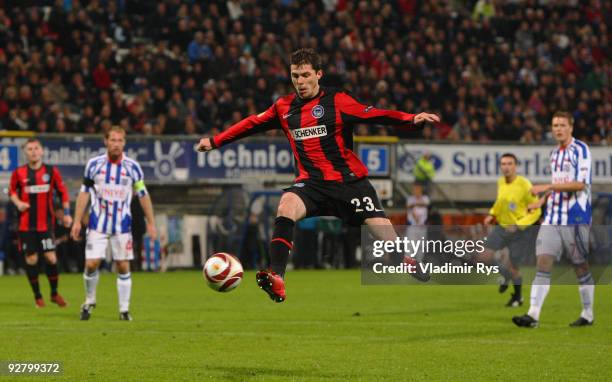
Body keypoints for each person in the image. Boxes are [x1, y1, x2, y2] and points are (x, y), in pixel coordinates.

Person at [197, 48, 440, 302]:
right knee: (286, 205)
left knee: (387, 240)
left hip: (349, 183)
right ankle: (277, 276)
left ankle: (408, 260)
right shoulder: (284, 107)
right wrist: (215, 141)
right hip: (311, 184)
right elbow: (251, 124)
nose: (300, 82)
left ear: (318, 74)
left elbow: (374, 114)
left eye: (305, 75)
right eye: (295, 76)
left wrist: (411, 119)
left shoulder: (338, 101)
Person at [513, 111, 594, 328]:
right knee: (543, 261)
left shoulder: (581, 150)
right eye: (554, 125)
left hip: (576, 216)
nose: (558, 128)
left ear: (571, 127)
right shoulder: (554, 154)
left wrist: (547, 186)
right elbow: (559, 183)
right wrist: (542, 201)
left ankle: (588, 313)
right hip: (553, 216)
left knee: (580, 266)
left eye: (562, 125)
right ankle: (533, 315)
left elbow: (579, 184)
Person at [71, 126, 157, 321]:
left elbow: (143, 195)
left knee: (123, 266)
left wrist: (151, 222)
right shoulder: (94, 165)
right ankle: (90, 300)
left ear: (124, 143)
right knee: (92, 264)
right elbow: (84, 193)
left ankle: (124, 310)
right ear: (106, 141)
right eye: (113, 140)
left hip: (122, 226)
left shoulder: (133, 168)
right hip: (97, 224)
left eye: (120, 141)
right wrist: (77, 220)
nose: (116, 144)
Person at [8, 138, 72, 307]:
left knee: (51, 258)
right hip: (26, 226)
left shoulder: (51, 171)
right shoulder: (19, 172)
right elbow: (12, 191)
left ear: (42, 151)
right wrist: (18, 203)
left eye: (36, 148)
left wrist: (66, 214)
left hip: (46, 224)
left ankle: (54, 293)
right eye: (30, 149)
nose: (34, 151)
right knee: (32, 260)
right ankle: (37, 296)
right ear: (25, 153)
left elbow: (63, 193)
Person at [477, 153, 541, 307]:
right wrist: (491, 214)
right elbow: (500, 203)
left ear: (515, 166)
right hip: (502, 227)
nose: (506, 167)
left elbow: (537, 211)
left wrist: (519, 225)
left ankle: (518, 297)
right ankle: (504, 274)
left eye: (509, 164)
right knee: (483, 256)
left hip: (520, 232)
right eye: (503, 164)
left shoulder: (525, 185)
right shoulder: (501, 182)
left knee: (514, 267)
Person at [405, 184, 430, 263]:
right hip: (412, 227)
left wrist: (415, 204)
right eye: (414, 190)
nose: (415, 191)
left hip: (422, 227)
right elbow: (409, 206)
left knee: (421, 246)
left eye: (417, 189)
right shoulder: (410, 198)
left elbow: (426, 204)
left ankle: (419, 263)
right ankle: (408, 264)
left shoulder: (425, 198)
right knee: (410, 245)